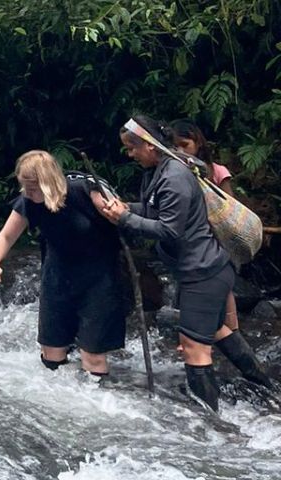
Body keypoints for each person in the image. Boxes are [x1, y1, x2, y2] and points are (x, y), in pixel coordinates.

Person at [93, 115, 275, 412]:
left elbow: (169, 230)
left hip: (203, 273)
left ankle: (209, 421)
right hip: (208, 269)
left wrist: (124, 219)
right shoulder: (160, 171)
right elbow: (156, 210)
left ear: (150, 146)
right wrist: (128, 207)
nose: (129, 154)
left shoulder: (174, 176)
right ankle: (266, 389)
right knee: (217, 329)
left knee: (193, 346)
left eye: (131, 148)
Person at [0, 150, 131, 377]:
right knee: (52, 350)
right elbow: (6, 236)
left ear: (48, 183)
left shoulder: (84, 190)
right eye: (25, 188)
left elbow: (122, 217)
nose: (28, 194)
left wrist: (117, 213)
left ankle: (94, 399)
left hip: (99, 280)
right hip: (58, 277)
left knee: (93, 354)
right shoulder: (28, 201)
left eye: (32, 188)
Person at [171, 119, 240, 332]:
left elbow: (231, 207)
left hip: (217, 241)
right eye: (176, 147)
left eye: (185, 145)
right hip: (192, 244)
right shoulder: (173, 174)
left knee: (224, 293)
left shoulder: (217, 171)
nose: (181, 151)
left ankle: (230, 330)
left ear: (198, 143)